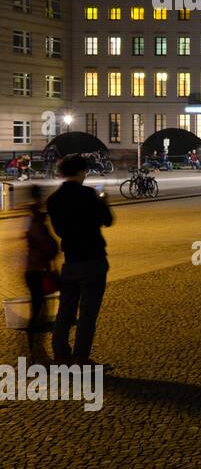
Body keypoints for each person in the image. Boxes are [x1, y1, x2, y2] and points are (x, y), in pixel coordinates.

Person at [46, 154, 113, 364]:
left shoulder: (53, 200)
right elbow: (107, 220)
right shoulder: (88, 194)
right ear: (80, 172)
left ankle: (60, 354)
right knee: (87, 313)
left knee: (65, 310)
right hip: (93, 259)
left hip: (71, 260)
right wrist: (103, 202)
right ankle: (81, 357)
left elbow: (59, 230)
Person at [23, 186, 58, 361]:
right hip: (36, 270)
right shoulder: (36, 218)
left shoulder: (32, 216)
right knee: (38, 311)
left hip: (33, 268)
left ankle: (35, 349)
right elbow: (47, 243)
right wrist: (53, 247)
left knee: (40, 309)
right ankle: (33, 350)